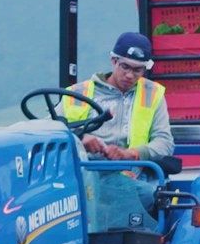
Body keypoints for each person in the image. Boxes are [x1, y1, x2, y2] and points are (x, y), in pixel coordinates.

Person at [62, 32, 174, 163]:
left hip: (131, 173)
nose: (130, 75)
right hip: (83, 171)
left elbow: (165, 142)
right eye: (125, 67)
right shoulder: (78, 93)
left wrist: (131, 154)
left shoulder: (152, 94)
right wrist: (79, 138)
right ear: (113, 61)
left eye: (137, 70)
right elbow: (49, 129)